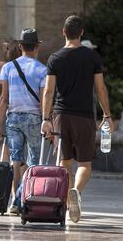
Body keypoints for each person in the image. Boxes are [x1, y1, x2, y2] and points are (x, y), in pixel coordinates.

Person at [41, 15, 114, 223]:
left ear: (64, 32)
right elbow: (100, 88)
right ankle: (76, 192)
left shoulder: (55, 58)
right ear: (81, 32)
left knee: (64, 162)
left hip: (61, 116)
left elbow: (48, 91)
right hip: (84, 117)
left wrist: (46, 118)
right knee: (85, 163)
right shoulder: (92, 57)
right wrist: (107, 115)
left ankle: (66, 202)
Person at [0, 28, 47, 215]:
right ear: (37, 47)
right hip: (34, 118)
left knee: (15, 162)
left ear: (21, 46)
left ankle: (15, 203)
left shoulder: (8, 68)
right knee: (33, 162)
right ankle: (22, 199)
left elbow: (3, 99)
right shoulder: (42, 69)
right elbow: (43, 100)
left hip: (13, 118)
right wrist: (47, 120)